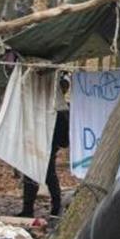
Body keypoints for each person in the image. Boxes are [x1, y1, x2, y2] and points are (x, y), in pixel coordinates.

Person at [20, 74, 70, 219]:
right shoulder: (46, 106)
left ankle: (55, 206)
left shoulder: (61, 110)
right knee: (32, 175)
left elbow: (63, 132)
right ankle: (29, 209)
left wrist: (57, 144)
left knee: (48, 175)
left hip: (49, 145)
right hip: (37, 142)